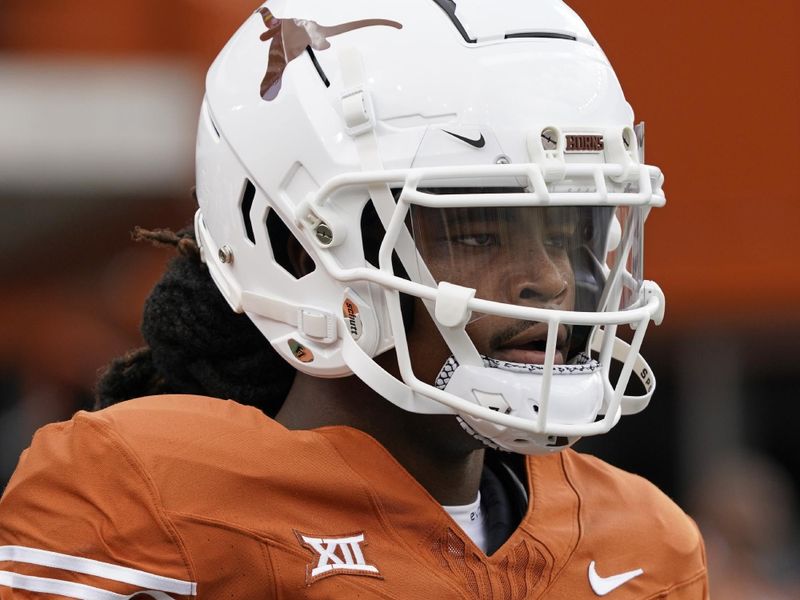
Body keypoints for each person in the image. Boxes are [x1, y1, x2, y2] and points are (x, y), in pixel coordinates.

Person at [0, 1, 708, 598]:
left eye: (567, 232)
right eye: (479, 233)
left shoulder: (647, 544)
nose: (549, 280)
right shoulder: (144, 501)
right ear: (300, 249)